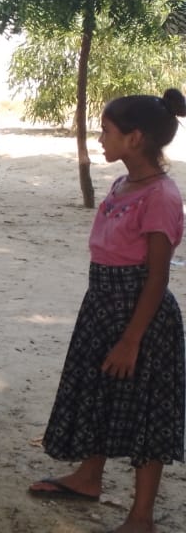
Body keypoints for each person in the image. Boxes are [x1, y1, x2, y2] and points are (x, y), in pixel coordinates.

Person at [27, 90, 186, 533]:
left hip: (141, 318)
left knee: (147, 414)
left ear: (135, 138)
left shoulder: (161, 196)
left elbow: (157, 277)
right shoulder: (122, 185)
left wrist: (131, 340)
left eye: (107, 131)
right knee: (97, 393)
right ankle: (88, 476)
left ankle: (141, 516)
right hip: (102, 307)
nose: (99, 139)